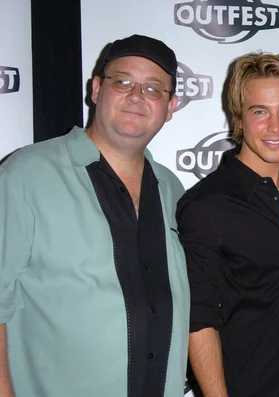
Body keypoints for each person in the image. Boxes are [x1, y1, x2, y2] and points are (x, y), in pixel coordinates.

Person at [0, 35, 189, 397]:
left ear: (170, 107)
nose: (136, 96)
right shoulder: (27, 175)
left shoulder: (172, 190)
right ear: (97, 89)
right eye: (123, 82)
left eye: (153, 88)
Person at [176, 52, 279, 397]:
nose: (275, 127)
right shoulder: (207, 206)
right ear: (239, 118)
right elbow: (198, 321)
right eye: (260, 111)